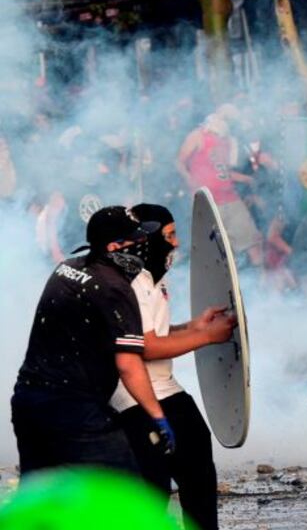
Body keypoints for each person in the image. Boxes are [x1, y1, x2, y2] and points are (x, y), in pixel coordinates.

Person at [11, 206, 173, 475]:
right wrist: (157, 416)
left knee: (41, 497)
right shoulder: (115, 288)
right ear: (114, 247)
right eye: (137, 239)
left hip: (28, 399)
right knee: (121, 489)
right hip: (73, 408)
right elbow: (129, 365)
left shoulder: (67, 268)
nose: (144, 244)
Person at [110, 204, 235, 530]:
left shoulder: (153, 279)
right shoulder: (133, 283)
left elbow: (154, 334)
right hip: (137, 398)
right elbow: (146, 347)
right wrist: (206, 338)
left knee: (197, 474)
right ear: (148, 238)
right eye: (169, 235)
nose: (176, 244)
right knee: (153, 490)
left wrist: (194, 327)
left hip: (165, 390)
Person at [175, 104, 263, 266]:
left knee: (252, 242)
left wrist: (246, 179)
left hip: (230, 198)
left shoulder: (227, 141)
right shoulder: (198, 135)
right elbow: (179, 162)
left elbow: (223, 171)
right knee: (215, 251)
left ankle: (262, 285)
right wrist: (189, 179)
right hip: (207, 201)